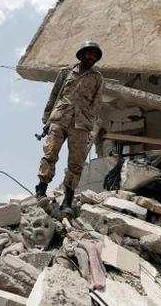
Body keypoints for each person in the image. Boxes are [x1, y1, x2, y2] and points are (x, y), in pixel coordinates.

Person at [34, 41, 104, 213]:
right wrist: (47, 117)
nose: (92, 57)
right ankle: (41, 190)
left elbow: (97, 104)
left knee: (76, 162)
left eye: (95, 55)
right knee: (50, 154)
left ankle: (68, 199)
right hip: (59, 118)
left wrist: (91, 125)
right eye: (89, 54)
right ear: (81, 54)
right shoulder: (65, 72)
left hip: (81, 124)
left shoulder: (97, 78)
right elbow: (54, 95)